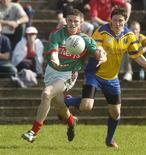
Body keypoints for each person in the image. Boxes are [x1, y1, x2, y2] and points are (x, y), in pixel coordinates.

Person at [64, 7, 146, 148]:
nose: (117, 23)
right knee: (86, 107)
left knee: (116, 112)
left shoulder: (129, 36)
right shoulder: (101, 31)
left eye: (121, 21)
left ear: (125, 22)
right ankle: (69, 100)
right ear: (110, 20)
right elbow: (96, 49)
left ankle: (109, 140)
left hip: (112, 78)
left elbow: (138, 56)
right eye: (115, 20)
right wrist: (101, 56)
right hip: (95, 74)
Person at [21, 9, 107, 143]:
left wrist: (101, 56)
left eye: (76, 21)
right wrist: (55, 59)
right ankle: (72, 121)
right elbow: (54, 52)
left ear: (81, 22)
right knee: (59, 105)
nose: (73, 24)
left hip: (68, 73)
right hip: (52, 71)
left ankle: (33, 132)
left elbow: (99, 51)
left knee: (46, 94)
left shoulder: (85, 40)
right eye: (70, 21)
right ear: (66, 21)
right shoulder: (57, 35)